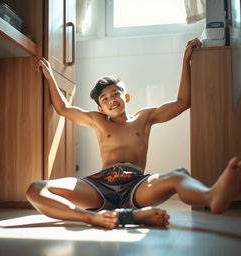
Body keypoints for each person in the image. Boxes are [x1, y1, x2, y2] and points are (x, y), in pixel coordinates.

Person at [26, 38, 241, 229]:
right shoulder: (97, 120)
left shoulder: (144, 118)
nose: (111, 100)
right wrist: (49, 75)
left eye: (115, 93)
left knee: (179, 174)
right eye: (104, 99)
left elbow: (183, 102)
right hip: (99, 184)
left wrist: (186, 60)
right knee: (36, 189)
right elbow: (63, 109)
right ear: (100, 107)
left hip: (136, 185)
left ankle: (211, 196)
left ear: (125, 96)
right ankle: (94, 218)